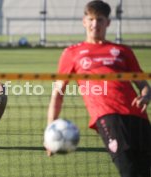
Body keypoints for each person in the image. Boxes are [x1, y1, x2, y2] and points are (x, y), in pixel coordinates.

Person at [46, 1, 151, 177]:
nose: (95, 24)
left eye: (100, 20)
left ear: (107, 23)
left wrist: (146, 96)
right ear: (84, 21)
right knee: (130, 171)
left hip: (138, 117)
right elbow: (58, 93)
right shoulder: (72, 53)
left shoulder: (122, 51)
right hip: (108, 117)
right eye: (91, 19)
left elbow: (144, 86)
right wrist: (50, 130)